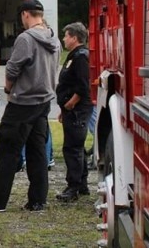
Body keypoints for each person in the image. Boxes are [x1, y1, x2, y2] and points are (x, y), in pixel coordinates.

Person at [0, 0, 60, 212]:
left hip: (23, 102)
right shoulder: (54, 38)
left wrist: (9, 90)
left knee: (8, 149)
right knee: (37, 151)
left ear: (25, 15)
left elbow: (12, 69)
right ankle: (38, 200)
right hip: (43, 101)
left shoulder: (26, 38)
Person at [55, 22, 93, 202]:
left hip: (77, 110)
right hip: (71, 109)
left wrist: (70, 104)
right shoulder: (74, 56)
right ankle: (82, 184)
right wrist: (64, 108)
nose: (64, 39)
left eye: (66, 36)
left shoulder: (80, 57)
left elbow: (83, 85)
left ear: (75, 38)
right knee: (77, 147)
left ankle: (74, 186)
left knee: (72, 148)